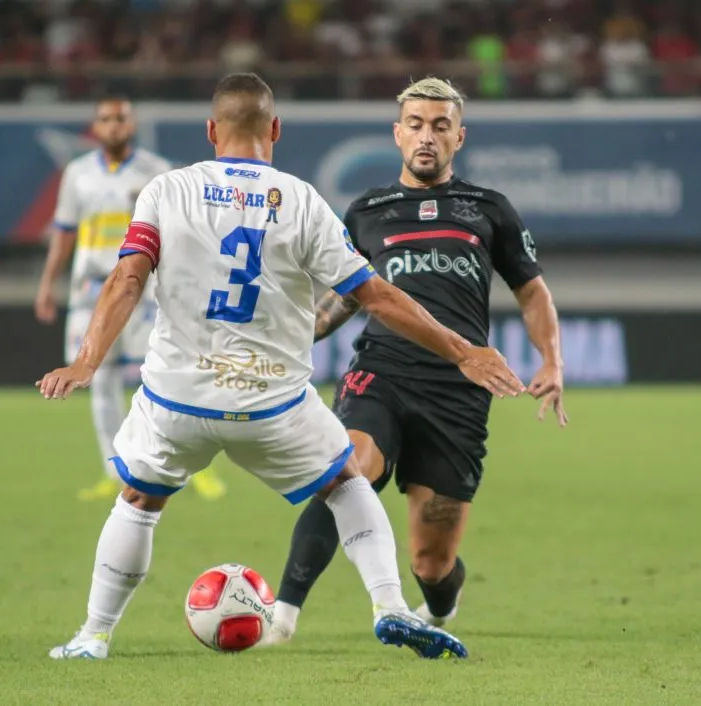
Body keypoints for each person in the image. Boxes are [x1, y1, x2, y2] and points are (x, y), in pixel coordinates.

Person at [37, 73, 526, 660]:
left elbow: (127, 278)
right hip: (272, 405)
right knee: (348, 484)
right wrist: (464, 350)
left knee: (138, 503)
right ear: (275, 129)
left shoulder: (165, 190)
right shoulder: (300, 200)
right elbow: (378, 296)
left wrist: (86, 360)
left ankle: (92, 636)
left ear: (212, 130)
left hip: (177, 400)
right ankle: (390, 606)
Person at [265, 77, 568, 645]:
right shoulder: (366, 212)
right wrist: (291, 337)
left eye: (440, 126)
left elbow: (532, 291)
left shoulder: (489, 210)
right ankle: (280, 619)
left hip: (458, 390)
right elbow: (345, 296)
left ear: (459, 137)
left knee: (432, 561)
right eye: (416, 125)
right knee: (346, 470)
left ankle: (438, 607)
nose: (426, 136)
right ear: (397, 134)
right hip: (381, 369)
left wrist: (551, 361)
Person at [34, 97, 227, 502]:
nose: (113, 125)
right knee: (98, 380)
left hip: (143, 290)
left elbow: (181, 233)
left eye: (120, 118)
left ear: (132, 124)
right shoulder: (78, 173)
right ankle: (114, 467)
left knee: (166, 375)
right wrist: (47, 282)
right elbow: (65, 231)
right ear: (96, 126)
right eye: (105, 119)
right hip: (90, 292)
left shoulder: (157, 172)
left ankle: (192, 468)